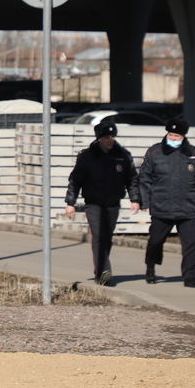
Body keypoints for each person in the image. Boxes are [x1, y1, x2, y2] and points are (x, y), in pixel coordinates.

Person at [135, 117, 195, 288]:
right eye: (170, 134)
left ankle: (191, 278)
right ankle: (150, 268)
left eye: (176, 136)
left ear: (184, 136)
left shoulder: (193, 153)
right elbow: (144, 178)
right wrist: (144, 201)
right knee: (155, 242)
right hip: (161, 207)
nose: (173, 138)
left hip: (186, 208)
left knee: (191, 244)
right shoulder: (154, 152)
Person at [64, 119, 138, 286]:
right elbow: (75, 180)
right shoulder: (87, 156)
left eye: (112, 136)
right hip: (93, 203)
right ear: (99, 138)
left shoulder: (123, 155)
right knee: (98, 235)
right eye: (106, 137)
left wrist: (135, 199)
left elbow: (132, 179)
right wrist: (70, 202)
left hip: (113, 202)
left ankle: (100, 271)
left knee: (107, 237)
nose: (109, 140)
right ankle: (105, 270)